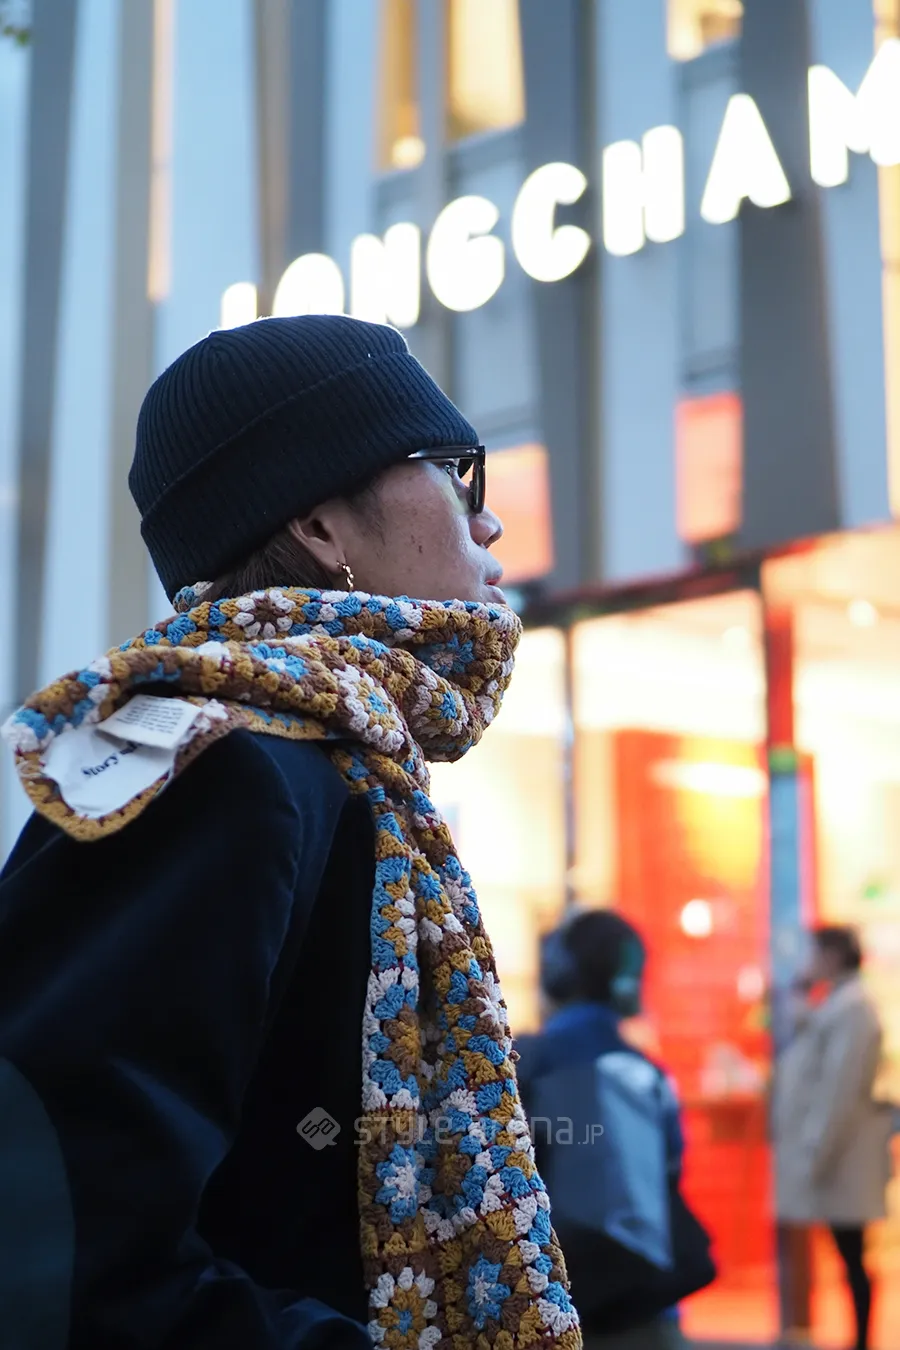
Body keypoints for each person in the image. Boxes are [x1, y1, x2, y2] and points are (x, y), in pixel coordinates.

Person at [0, 316, 581, 1350]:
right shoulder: (225, 768)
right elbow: (71, 1248)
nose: (486, 521)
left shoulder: (327, 764)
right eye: (456, 471)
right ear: (319, 525)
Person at [516, 910, 714, 1350]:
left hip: (554, 1309)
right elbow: (670, 1171)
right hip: (647, 1311)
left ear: (557, 975)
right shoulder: (647, 1074)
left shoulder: (523, 1064)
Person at [772, 925, 893, 1350]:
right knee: (848, 1253)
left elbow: (838, 1092)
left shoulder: (854, 1009)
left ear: (834, 956)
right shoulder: (838, 1005)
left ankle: (861, 1340)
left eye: (814, 953)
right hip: (835, 1154)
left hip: (842, 1157)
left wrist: (816, 1154)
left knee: (852, 1254)